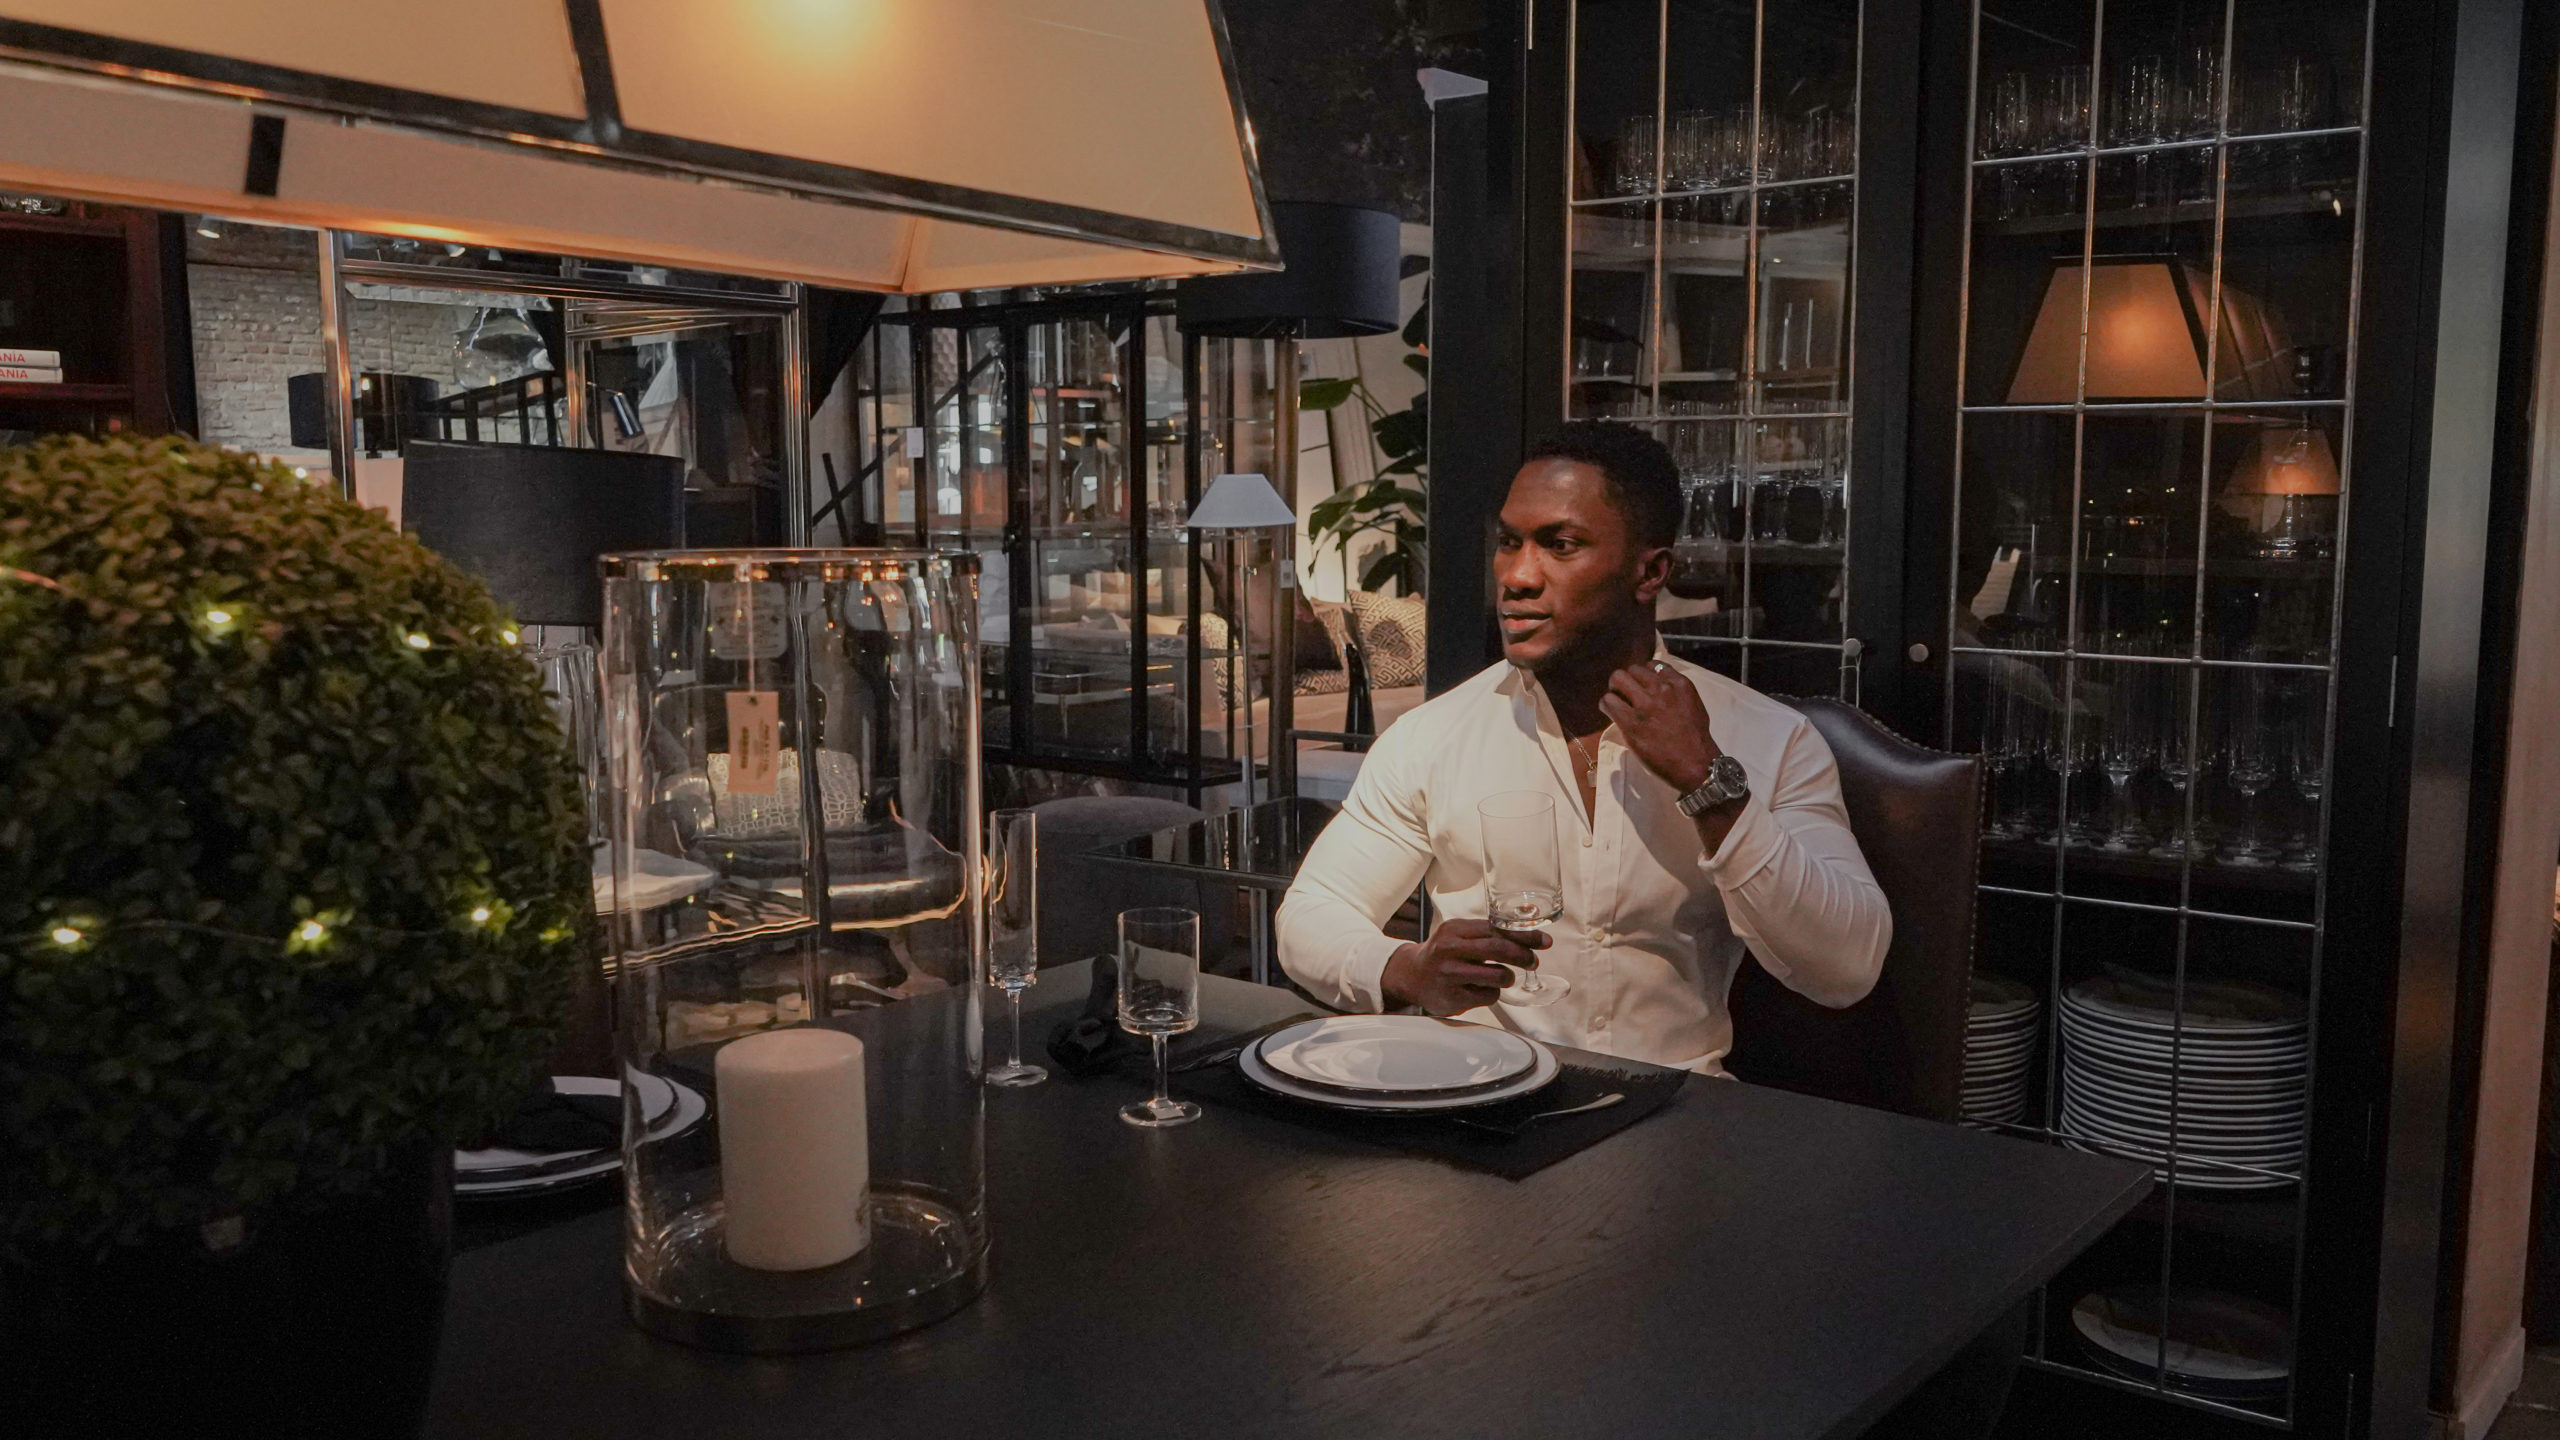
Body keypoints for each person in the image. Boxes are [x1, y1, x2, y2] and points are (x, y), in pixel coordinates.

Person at [1275, 421, 1892, 1072]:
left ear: (1649, 572)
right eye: (1508, 543)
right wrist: (1407, 967)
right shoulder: (1432, 737)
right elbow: (1311, 915)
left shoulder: (1769, 738)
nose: (1517, 576)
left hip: (1675, 1106)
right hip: (1477, 1093)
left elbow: (1848, 966)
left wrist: (1708, 784)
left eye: (1559, 545)